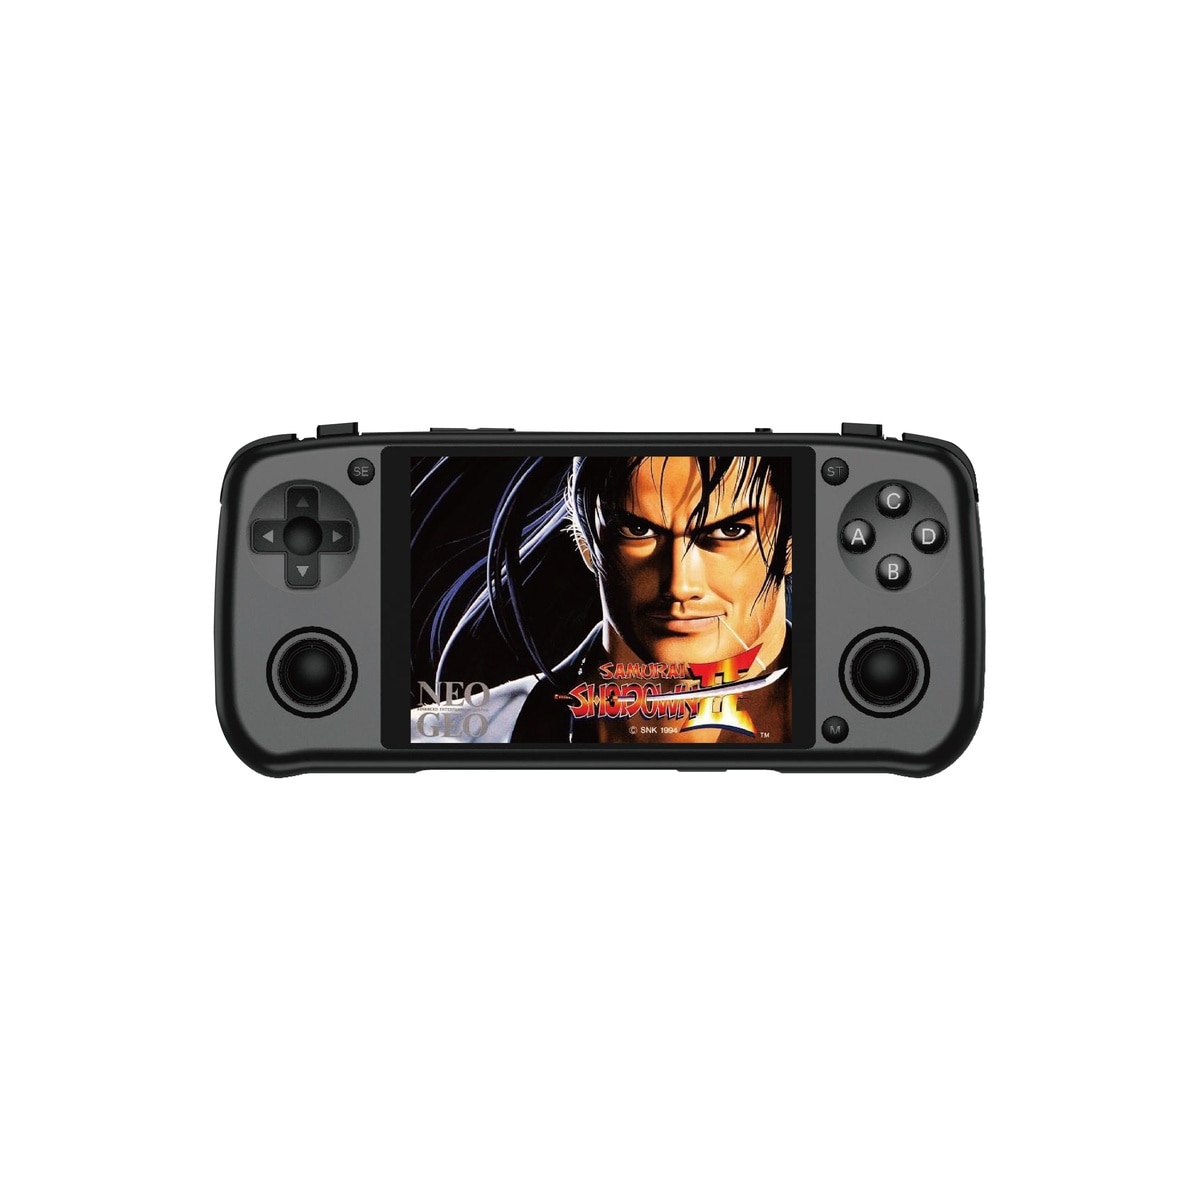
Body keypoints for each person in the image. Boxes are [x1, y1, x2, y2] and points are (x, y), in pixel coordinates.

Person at [410, 454, 791, 744]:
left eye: (729, 531)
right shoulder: (441, 739)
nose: (680, 584)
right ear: (584, 543)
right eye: (637, 529)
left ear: (792, 544)